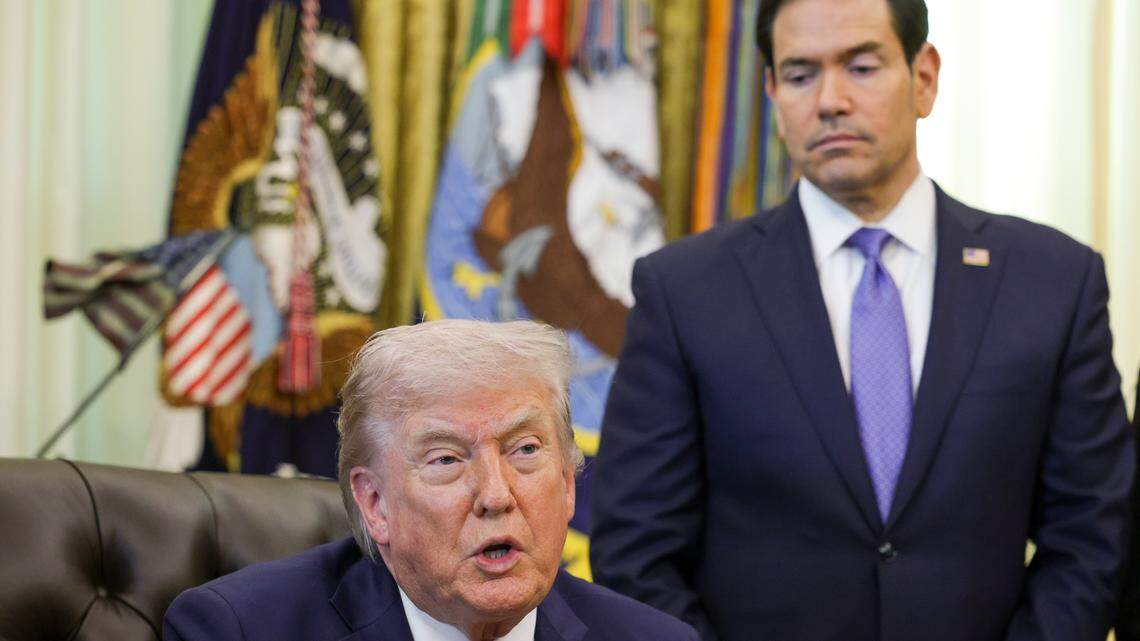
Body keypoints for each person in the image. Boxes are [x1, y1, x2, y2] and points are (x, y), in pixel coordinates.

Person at [589, 0, 1135, 640]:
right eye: (799, 74)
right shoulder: (684, 292)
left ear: (924, 77)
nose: (830, 100)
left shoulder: (1052, 282)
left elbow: (1094, 530)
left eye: (862, 66)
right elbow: (636, 551)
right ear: (771, 92)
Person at [164, 320, 698, 641]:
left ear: (568, 482)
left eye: (525, 450)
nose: (496, 495)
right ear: (375, 504)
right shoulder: (238, 632)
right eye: (446, 460)